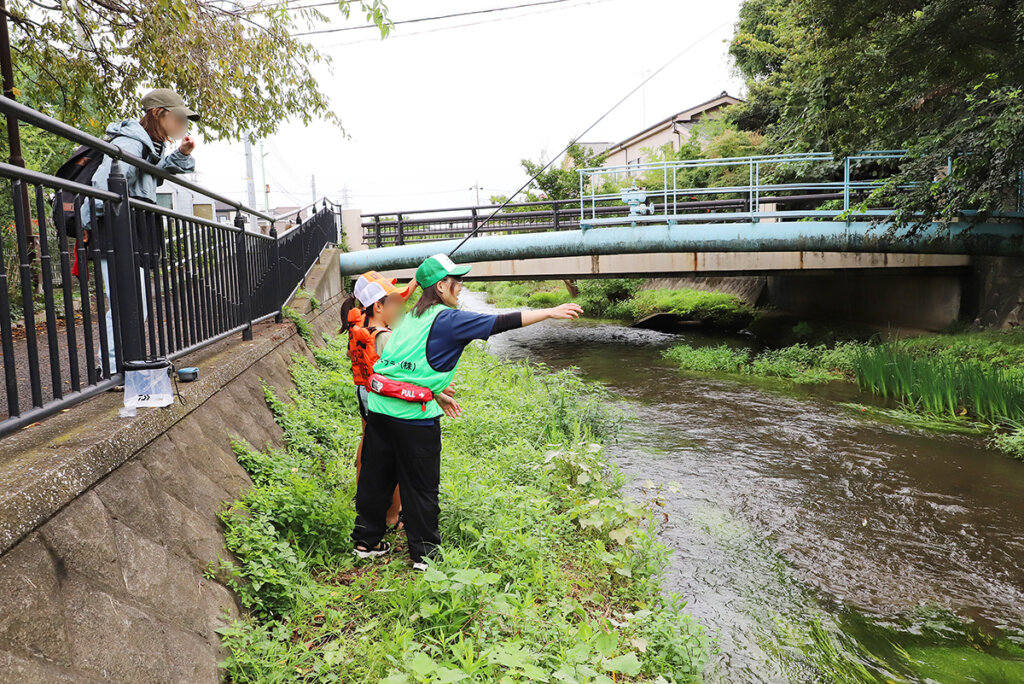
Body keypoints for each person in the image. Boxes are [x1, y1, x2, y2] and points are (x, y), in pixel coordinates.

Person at [351, 254, 583, 570]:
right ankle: (424, 558)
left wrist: (436, 393)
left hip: (379, 410)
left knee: (376, 477)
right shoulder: (448, 319)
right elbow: (501, 322)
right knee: (420, 486)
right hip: (413, 418)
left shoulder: (409, 320)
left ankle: (367, 542)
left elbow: (401, 371)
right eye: (456, 281)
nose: (460, 287)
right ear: (441, 286)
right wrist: (550, 312)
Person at [85, 88, 199, 374]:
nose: (182, 126)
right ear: (159, 114)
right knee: (128, 303)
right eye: (179, 119)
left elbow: (154, 174)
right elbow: (104, 186)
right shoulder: (131, 143)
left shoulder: (148, 146)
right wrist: (91, 224)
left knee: (134, 304)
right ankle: (111, 368)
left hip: (129, 226)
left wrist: (181, 154)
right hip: (117, 227)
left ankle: (120, 365)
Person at [340, 271, 417, 529]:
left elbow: (400, 297)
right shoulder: (382, 335)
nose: (399, 303)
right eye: (392, 300)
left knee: (370, 445)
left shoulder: (358, 323)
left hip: (364, 390)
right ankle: (394, 514)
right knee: (391, 455)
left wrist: (415, 282)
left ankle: (365, 496)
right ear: (377, 304)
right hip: (379, 396)